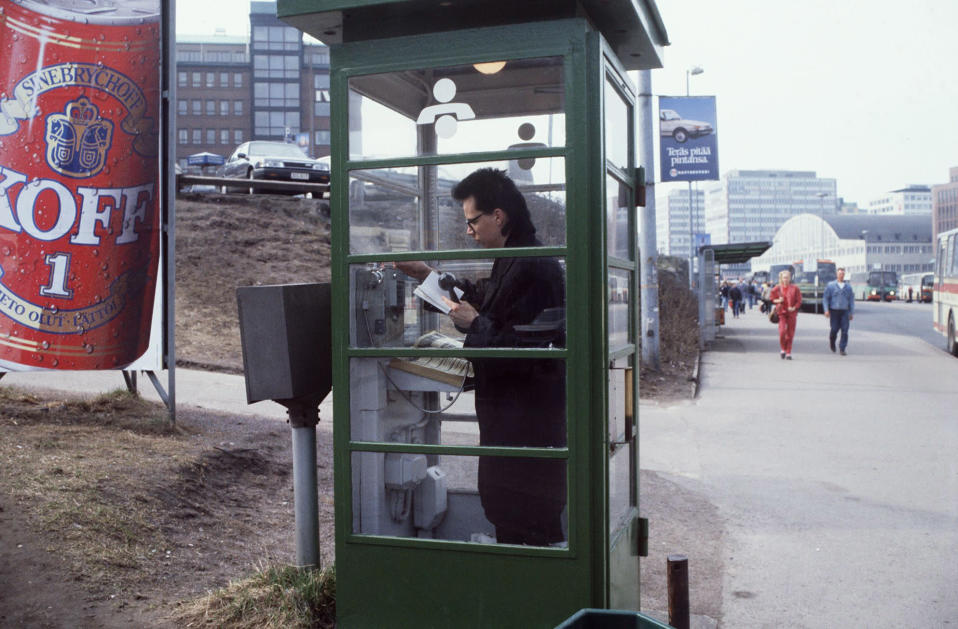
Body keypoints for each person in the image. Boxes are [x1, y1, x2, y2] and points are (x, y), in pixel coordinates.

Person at [395, 168, 566, 546]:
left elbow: (529, 353)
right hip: (514, 425)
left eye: (473, 221)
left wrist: (475, 325)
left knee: (524, 527)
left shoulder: (536, 267)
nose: (468, 231)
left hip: (526, 430)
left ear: (498, 216)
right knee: (509, 519)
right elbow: (483, 300)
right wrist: (428, 276)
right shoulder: (514, 259)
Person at [769, 269, 802, 359]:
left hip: (792, 313)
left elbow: (799, 301)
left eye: (787, 278)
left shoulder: (795, 288)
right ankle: (783, 348)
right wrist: (778, 300)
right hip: (781, 313)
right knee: (782, 332)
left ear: (790, 278)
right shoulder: (777, 288)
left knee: (790, 333)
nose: (786, 279)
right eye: (784, 278)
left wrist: (794, 307)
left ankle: (788, 352)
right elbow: (771, 298)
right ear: (781, 278)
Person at [822, 266, 855, 356]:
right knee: (834, 329)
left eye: (843, 274)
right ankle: (832, 341)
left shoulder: (848, 287)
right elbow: (825, 298)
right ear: (837, 274)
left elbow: (851, 300)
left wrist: (851, 312)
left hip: (845, 311)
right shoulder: (831, 285)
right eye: (840, 273)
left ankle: (842, 348)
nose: (841, 275)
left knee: (845, 330)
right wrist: (826, 310)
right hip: (834, 311)